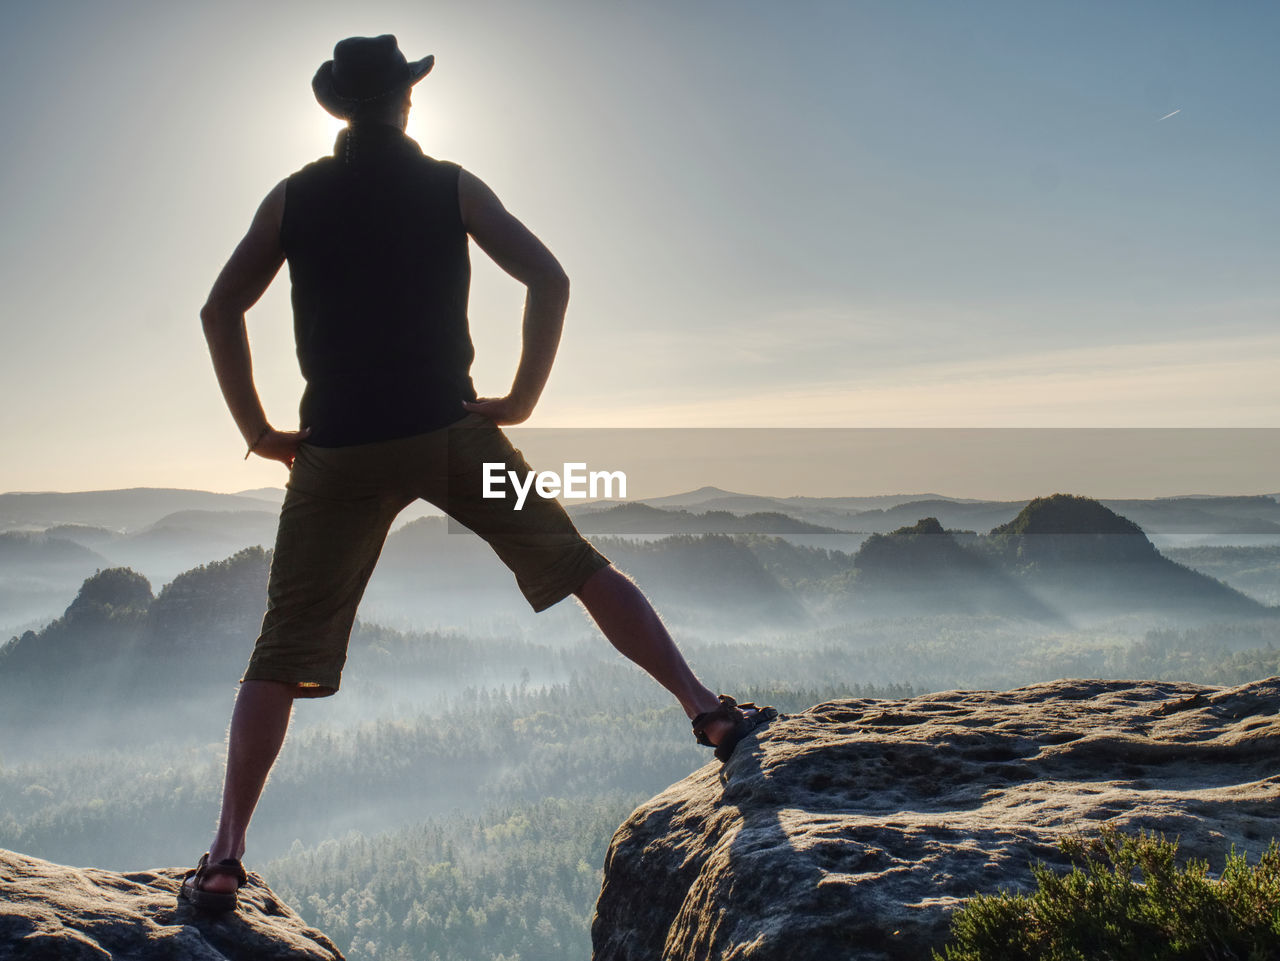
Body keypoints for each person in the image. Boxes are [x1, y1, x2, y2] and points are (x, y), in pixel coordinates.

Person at [181, 35, 775, 913]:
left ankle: (226, 854)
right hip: (452, 436)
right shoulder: (450, 183)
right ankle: (706, 709)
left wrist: (260, 431)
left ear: (339, 109)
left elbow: (219, 306)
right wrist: (521, 398)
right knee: (579, 564)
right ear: (407, 102)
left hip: (335, 453)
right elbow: (549, 276)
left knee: (280, 647)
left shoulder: (293, 198)